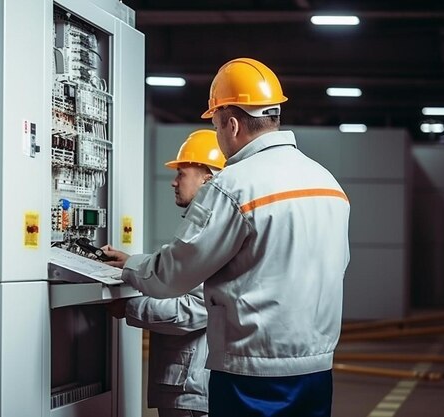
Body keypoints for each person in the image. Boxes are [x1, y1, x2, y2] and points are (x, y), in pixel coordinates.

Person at [103, 58, 350, 417]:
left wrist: (131, 267)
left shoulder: (235, 185)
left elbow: (175, 273)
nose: (219, 138)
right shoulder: (327, 183)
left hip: (250, 373)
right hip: (316, 369)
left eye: (216, 125)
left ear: (232, 123)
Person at [108, 130, 226, 417]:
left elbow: (195, 309)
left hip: (191, 388)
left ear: (207, 179)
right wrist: (131, 262)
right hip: (186, 383)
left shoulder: (208, 234)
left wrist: (128, 307)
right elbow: (177, 271)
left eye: (182, 173)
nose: (173, 182)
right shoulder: (202, 227)